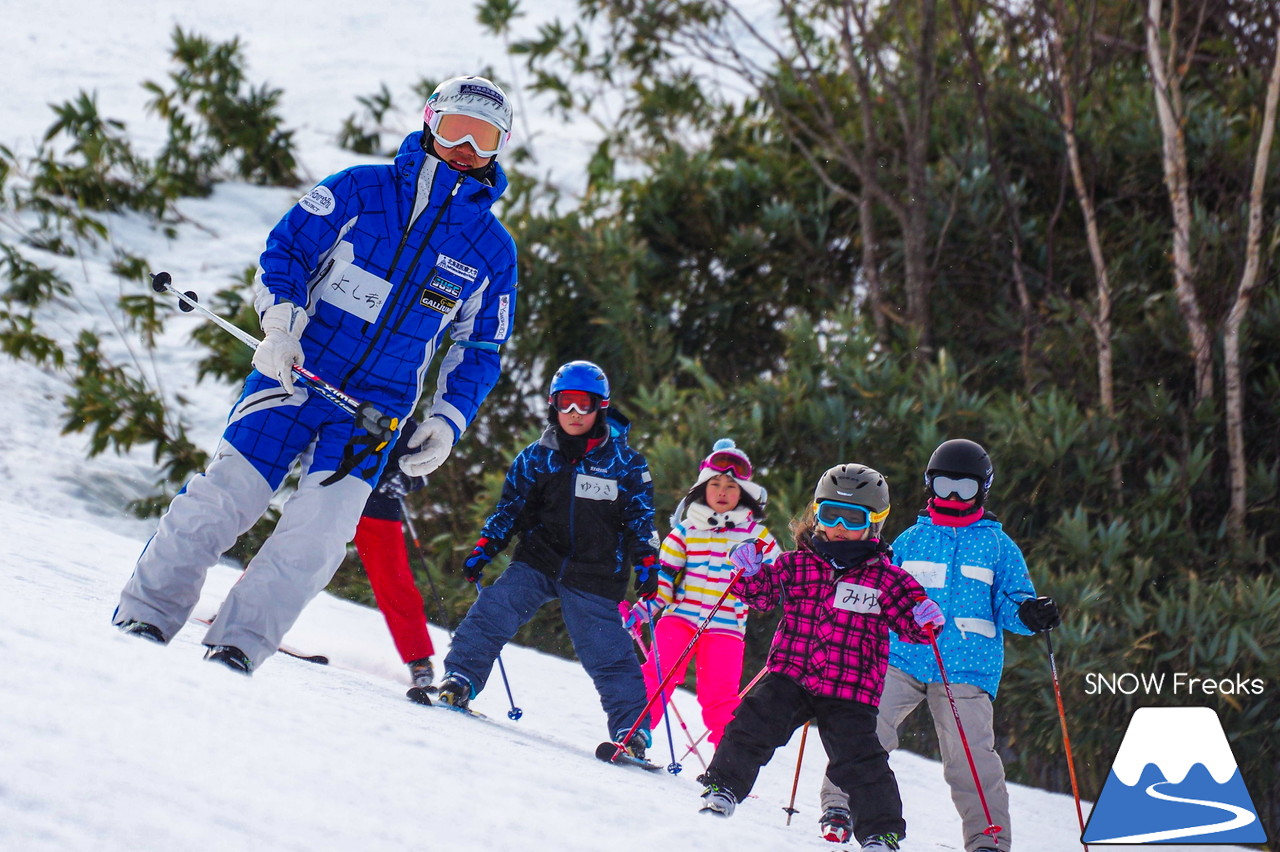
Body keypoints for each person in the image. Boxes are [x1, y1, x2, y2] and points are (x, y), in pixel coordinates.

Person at [113, 75, 519, 675]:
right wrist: (279, 326)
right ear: (430, 120)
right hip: (295, 372)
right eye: (457, 128)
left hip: (374, 411)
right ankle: (144, 615)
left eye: (484, 138)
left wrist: (448, 419)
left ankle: (238, 646)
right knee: (225, 497)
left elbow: (481, 345)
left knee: (319, 537)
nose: (467, 147)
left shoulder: (491, 248)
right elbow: (287, 254)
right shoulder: (359, 190)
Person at [815, 440, 1060, 852]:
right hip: (901, 655)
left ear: (983, 490)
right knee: (865, 726)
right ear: (929, 485)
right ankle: (840, 805)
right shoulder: (911, 539)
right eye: (944, 485)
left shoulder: (998, 546)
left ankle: (988, 840)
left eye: (963, 488)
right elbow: (879, 584)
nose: (951, 496)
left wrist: (1030, 613)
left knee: (971, 757)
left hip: (966, 666)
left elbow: (1012, 600)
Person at [696, 464, 944, 852]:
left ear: (874, 524)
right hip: (791, 674)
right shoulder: (798, 563)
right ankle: (723, 787)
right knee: (754, 722)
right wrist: (749, 571)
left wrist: (925, 617)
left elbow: (913, 623)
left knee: (860, 759)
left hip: (850, 689)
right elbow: (762, 595)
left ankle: (881, 832)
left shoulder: (888, 579)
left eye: (853, 518)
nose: (839, 527)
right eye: (830, 515)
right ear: (817, 514)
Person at [436, 361, 661, 756]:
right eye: (565, 404)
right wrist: (485, 548)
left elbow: (640, 520)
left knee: (606, 652)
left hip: (595, 573)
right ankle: (460, 679)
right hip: (540, 558)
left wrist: (647, 564)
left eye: (584, 405)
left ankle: (632, 729)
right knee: (495, 609)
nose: (574, 414)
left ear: (601, 408)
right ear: (553, 406)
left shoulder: (626, 464)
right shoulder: (536, 457)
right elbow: (510, 509)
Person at [626, 438, 779, 749]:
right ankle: (636, 733)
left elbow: (779, 578)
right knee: (657, 675)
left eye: (731, 486)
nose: (722, 492)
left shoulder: (756, 536)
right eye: (715, 484)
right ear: (703, 489)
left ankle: (728, 761)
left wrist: (761, 574)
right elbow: (663, 584)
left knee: (719, 696)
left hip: (725, 628)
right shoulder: (684, 532)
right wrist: (640, 613)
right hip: (679, 619)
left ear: (744, 494)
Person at [353, 417, 437, 689]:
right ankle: (245, 608)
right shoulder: (340, 391)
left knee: (394, 582)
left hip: (377, 506)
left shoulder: (403, 416)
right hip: (332, 491)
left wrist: (401, 480)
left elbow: (419, 469)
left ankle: (419, 658)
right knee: (295, 549)